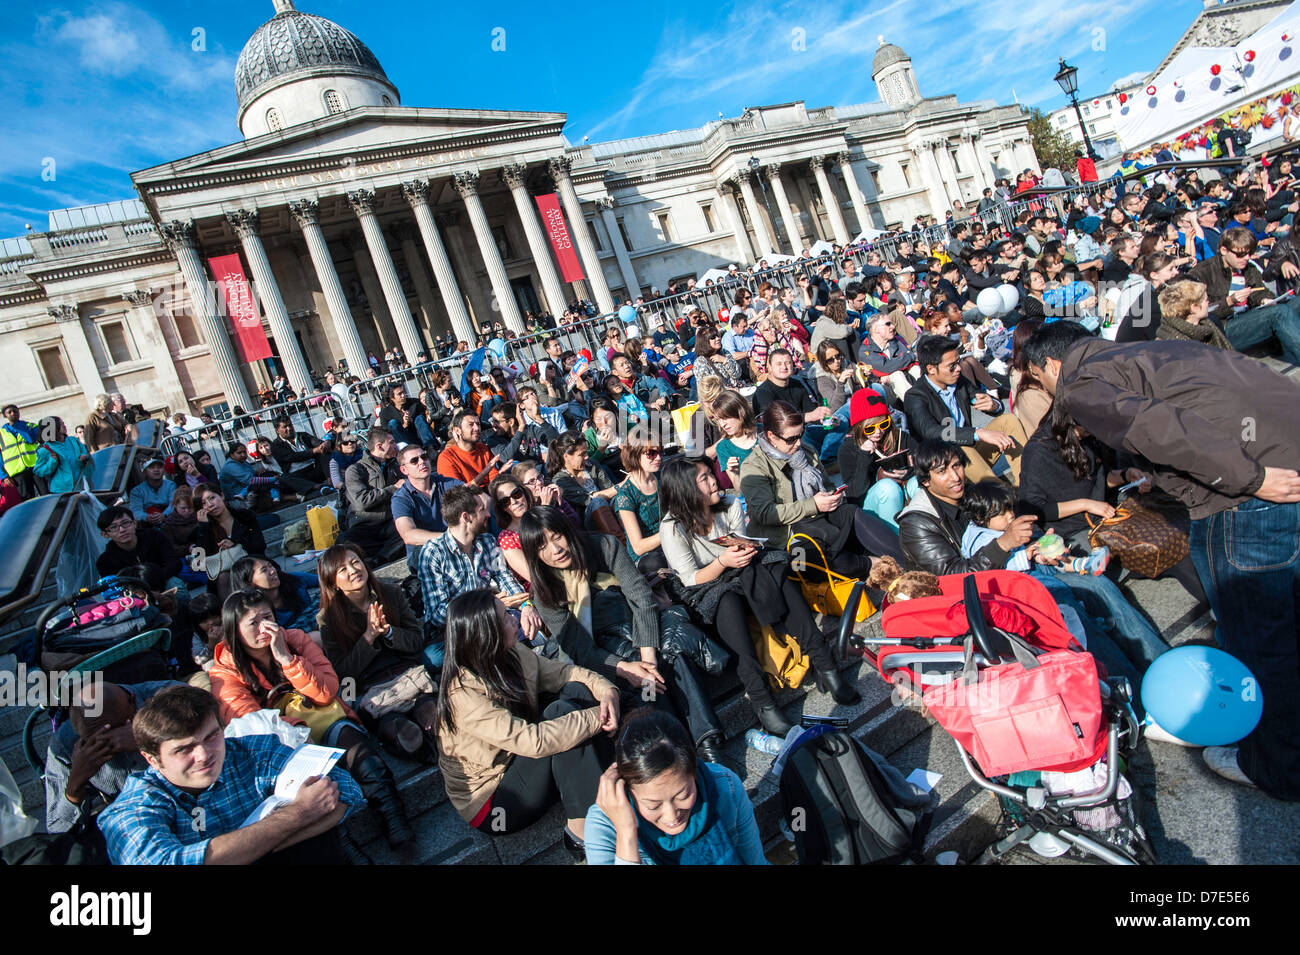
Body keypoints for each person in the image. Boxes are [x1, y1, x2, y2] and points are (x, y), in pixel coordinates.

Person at [1026, 322, 1300, 798]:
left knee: (1261, 638)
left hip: (1250, 494)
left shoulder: (1079, 380)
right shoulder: (1146, 352)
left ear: (1050, 365)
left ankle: (1281, 765)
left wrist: (1249, 477)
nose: (1048, 392)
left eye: (1038, 379)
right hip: (1285, 456)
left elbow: (1161, 427)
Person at [659, 455, 860, 731]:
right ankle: (762, 701)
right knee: (727, 601)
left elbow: (743, 543)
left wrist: (742, 552)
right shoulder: (672, 527)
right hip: (704, 585)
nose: (714, 481)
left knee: (778, 574)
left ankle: (826, 665)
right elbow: (691, 578)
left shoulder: (728, 503)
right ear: (686, 490)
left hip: (740, 568)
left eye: (710, 474)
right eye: (703, 479)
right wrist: (722, 562)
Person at [519, 506, 725, 762]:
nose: (554, 549)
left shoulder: (602, 545)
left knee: (663, 657)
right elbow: (580, 649)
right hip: (605, 649)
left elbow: (640, 596)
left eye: (557, 536)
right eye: (541, 546)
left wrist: (647, 656)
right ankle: (705, 747)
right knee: (668, 659)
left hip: (640, 625)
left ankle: (700, 750)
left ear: (567, 530)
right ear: (533, 554)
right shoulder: (545, 590)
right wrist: (627, 668)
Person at [209, 589, 413, 846]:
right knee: (308, 774)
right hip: (280, 741)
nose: (264, 627)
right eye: (253, 622)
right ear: (234, 629)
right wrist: (300, 729)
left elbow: (328, 691)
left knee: (357, 747)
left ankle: (394, 818)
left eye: (268, 616)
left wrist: (287, 659)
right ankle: (346, 848)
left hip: (322, 714)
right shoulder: (224, 671)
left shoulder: (294, 639)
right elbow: (253, 724)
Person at [435, 588, 618, 853]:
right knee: (561, 716)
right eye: (504, 616)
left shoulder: (513, 654)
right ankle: (582, 832)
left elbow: (564, 673)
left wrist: (608, 692)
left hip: (520, 762)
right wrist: (598, 717)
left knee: (577, 691)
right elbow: (533, 742)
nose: (513, 616)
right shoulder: (462, 695)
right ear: (486, 633)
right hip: (495, 802)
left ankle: (609, 786)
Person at [98, 684, 365, 864]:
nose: (204, 755)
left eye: (212, 736)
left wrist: (254, 849)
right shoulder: (133, 807)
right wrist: (298, 814)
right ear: (152, 759)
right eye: (184, 749)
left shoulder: (255, 751)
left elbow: (345, 790)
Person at [586, 709, 766, 865]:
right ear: (629, 790)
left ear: (694, 772)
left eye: (683, 796)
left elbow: (755, 861)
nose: (672, 816)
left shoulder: (724, 785)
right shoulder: (604, 826)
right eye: (653, 806)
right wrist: (626, 834)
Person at [740, 400, 899, 574]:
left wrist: (833, 496)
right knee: (804, 565)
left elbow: (828, 485)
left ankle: (903, 559)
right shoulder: (754, 466)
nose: (799, 443)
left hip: (819, 518)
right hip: (788, 534)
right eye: (792, 439)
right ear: (771, 436)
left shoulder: (807, 451)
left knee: (853, 513)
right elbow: (765, 513)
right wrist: (813, 505)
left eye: (801, 434)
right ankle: (871, 563)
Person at [317, 541, 437, 761]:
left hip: (407, 676)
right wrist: (369, 637)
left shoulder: (390, 593)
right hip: (370, 689)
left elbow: (416, 640)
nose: (353, 570)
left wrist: (389, 632)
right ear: (333, 582)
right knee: (405, 736)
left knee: (434, 719)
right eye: (343, 569)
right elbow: (343, 675)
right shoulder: (329, 619)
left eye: (356, 562)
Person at [416, 484, 542, 663]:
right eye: (482, 510)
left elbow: (504, 577)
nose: (488, 515)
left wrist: (526, 606)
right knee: (434, 657)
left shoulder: (487, 541)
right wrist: (488, 608)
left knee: (533, 621)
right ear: (466, 517)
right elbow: (438, 614)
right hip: (459, 632)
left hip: (496, 619)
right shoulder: (434, 552)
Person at [43, 679, 179, 835]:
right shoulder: (65, 743)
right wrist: (75, 782)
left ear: (132, 703)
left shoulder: (171, 697)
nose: (109, 742)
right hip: (133, 829)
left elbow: (208, 746)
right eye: (96, 741)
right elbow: (56, 829)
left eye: (114, 732)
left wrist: (149, 735)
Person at [903, 335, 1023, 485]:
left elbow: (983, 400)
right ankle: (997, 497)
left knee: (1009, 421)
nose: (958, 368)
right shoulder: (915, 396)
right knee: (961, 447)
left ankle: (1027, 484)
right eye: (951, 366)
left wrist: (993, 404)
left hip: (969, 450)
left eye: (958, 362)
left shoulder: (958, 381)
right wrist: (977, 433)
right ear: (931, 369)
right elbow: (931, 432)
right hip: (942, 464)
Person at [1186, 227, 1300, 364]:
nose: (1246, 258)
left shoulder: (1248, 268)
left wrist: (1264, 298)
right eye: (1240, 254)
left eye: (1249, 253)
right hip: (1224, 328)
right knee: (1279, 313)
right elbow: (1195, 313)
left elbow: (1259, 290)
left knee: (1296, 302)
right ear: (1224, 250)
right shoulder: (1202, 273)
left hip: (1248, 316)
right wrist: (1229, 301)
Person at [836, 391, 917, 528]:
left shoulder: (899, 437)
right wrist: (864, 456)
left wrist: (911, 470)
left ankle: (929, 532)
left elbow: (926, 462)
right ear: (859, 426)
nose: (878, 431)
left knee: (917, 482)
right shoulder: (848, 448)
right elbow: (854, 494)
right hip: (870, 503)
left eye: (883, 424)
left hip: (904, 493)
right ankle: (894, 541)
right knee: (887, 487)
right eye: (870, 428)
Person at [343, 427, 406, 564]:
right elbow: (362, 501)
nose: (396, 445)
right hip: (365, 524)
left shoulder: (396, 465)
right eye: (392, 442)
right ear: (379, 446)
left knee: (410, 526)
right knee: (344, 544)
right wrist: (393, 488)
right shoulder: (355, 470)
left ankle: (380, 559)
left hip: (392, 522)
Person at [613, 431, 669, 575]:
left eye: (660, 452)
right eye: (651, 453)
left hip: (671, 540)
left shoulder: (663, 477)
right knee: (656, 563)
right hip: (647, 555)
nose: (658, 458)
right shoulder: (626, 494)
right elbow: (638, 546)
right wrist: (671, 531)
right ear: (634, 454)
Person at [95, 504, 182, 593]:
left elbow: (174, 562)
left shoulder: (154, 536)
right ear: (105, 534)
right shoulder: (105, 561)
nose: (122, 530)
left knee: (175, 583)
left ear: (135, 523)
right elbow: (113, 588)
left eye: (125, 523)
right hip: (134, 595)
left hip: (162, 581)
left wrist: (156, 579)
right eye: (113, 527)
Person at [231, 555, 321, 639]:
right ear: (249, 582)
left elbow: (327, 580)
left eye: (270, 566)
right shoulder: (255, 610)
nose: (272, 571)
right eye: (264, 570)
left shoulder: (293, 580)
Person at [548, 431, 621, 535]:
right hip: (587, 522)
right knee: (597, 502)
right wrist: (621, 486)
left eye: (586, 452)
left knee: (619, 498)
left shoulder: (591, 464)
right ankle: (620, 541)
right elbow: (589, 499)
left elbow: (608, 488)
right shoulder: (561, 480)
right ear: (566, 457)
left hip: (609, 508)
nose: (587, 457)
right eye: (582, 454)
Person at [391, 443, 447, 574]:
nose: (422, 462)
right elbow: (408, 535)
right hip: (424, 554)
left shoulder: (443, 483)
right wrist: (449, 538)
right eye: (414, 461)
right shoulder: (401, 498)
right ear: (404, 470)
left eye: (424, 457)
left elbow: (476, 497)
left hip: (454, 545)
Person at [1155, 279, 1232, 350]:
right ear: (1194, 308)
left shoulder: (1208, 327)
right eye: (1206, 300)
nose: (1208, 303)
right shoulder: (1168, 344)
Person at [437, 409, 501, 488]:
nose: (477, 428)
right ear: (457, 430)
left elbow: (494, 480)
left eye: (478, 424)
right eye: (471, 425)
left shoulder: (483, 448)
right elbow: (456, 493)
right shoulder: (446, 458)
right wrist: (484, 472)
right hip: (468, 497)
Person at [711, 389, 760, 489]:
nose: (722, 424)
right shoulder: (723, 447)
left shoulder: (764, 431)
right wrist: (736, 473)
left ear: (740, 413)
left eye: (725, 418)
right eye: (719, 419)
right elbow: (738, 488)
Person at [32, 416, 90, 494]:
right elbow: (38, 471)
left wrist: (85, 456)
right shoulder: (45, 449)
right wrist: (52, 462)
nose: (65, 426)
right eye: (61, 424)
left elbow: (86, 452)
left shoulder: (74, 441)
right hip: (62, 491)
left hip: (82, 485)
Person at [269, 416, 331, 487]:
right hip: (298, 474)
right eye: (285, 427)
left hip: (314, 468)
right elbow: (293, 456)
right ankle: (315, 487)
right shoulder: (276, 445)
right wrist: (313, 451)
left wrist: (327, 442)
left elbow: (319, 443)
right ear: (277, 430)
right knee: (284, 478)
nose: (289, 428)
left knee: (324, 452)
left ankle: (330, 479)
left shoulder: (302, 435)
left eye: (290, 425)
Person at [218, 441, 280, 506]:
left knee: (270, 475)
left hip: (249, 491)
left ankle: (276, 497)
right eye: (239, 453)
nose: (243, 455)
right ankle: (276, 497)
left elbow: (252, 475)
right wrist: (272, 479)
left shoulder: (242, 462)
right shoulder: (231, 466)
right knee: (272, 480)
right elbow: (251, 480)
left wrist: (258, 473)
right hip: (237, 498)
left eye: (244, 452)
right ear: (232, 455)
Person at [1, 404, 41, 499]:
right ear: (5, 416)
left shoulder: (31, 426)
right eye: (9, 412)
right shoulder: (1, 433)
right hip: (17, 471)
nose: (13, 414)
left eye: (15, 411)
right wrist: (4, 476)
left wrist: (18, 427)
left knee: (45, 493)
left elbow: (31, 439)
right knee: (27, 498)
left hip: (36, 466)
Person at [128, 457, 177, 526]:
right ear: (145, 472)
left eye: (159, 467)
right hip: (147, 524)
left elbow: (174, 504)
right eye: (151, 468)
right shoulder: (136, 491)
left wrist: (164, 514)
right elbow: (136, 511)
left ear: (163, 471)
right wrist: (147, 517)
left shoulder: (171, 485)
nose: (156, 470)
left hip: (170, 520)